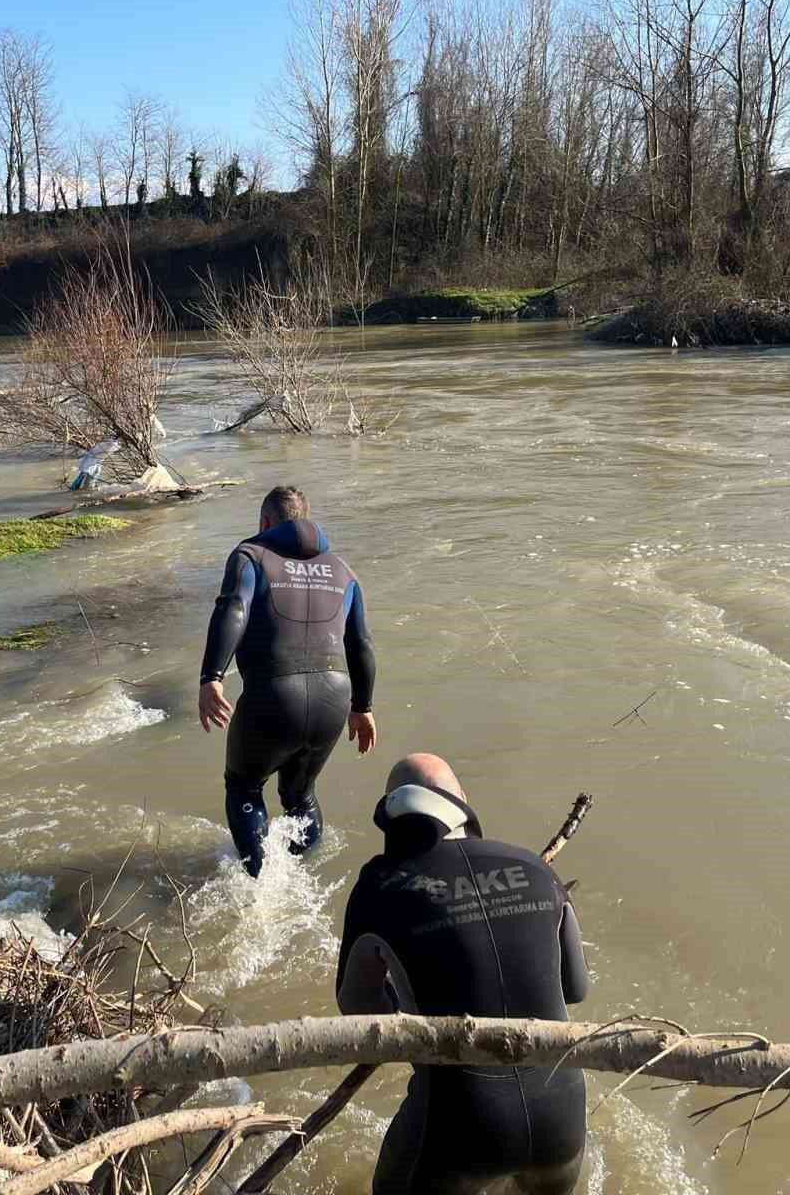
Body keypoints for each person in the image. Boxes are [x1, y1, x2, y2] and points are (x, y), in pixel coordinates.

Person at [337, 753, 589, 1195]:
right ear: (464, 802)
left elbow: (358, 1010)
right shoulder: (535, 867)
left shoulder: (380, 886)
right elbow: (575, 989)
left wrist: (409, 995)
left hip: (460, 1120)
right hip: (562, 1109)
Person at [198, 486, 377, 877]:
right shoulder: (344, 570)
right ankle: (302, 881)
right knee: (300, 795)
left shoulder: (250, 556)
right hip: (335, 697)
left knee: (244, 787)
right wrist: (362, 707)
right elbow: (360, 641)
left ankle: (258, 888)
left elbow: (235, 608)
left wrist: (211, 677)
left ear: (265, 523)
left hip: (274, 695)